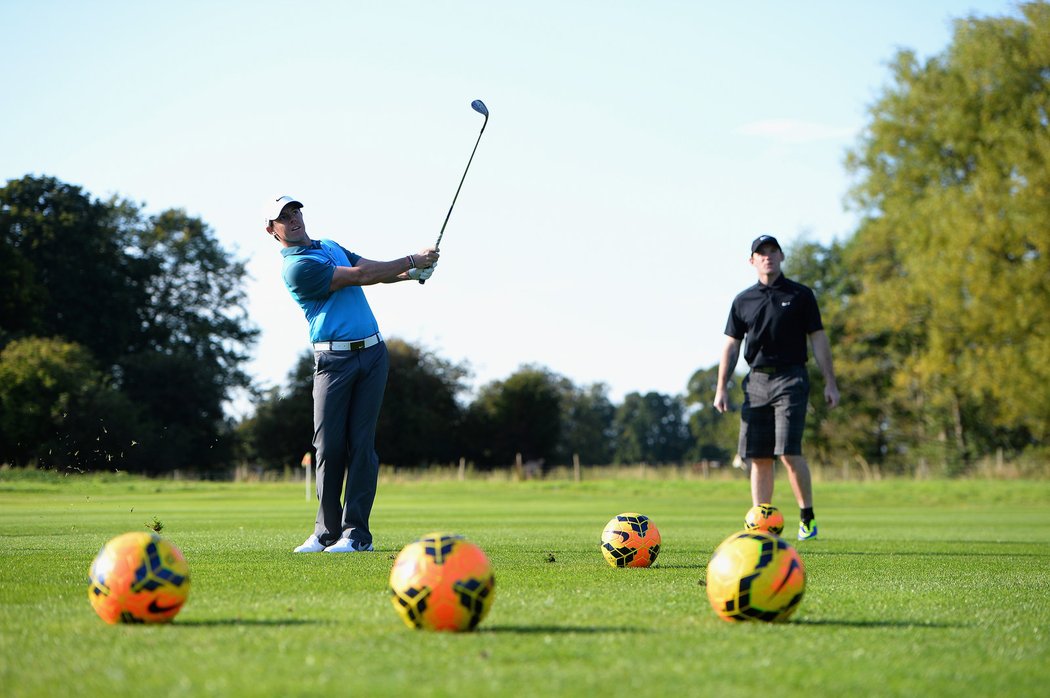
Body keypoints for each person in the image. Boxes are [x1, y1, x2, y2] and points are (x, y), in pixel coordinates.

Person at [264, 195, 439, 553]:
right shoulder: (296, 267)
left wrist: (411, 273)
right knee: (328, 447)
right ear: (272, 229)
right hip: (332, 361)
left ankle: (356, 535)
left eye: (295, 210)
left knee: (362, 446)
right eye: (283, 216)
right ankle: (326, 532)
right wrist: (411, 259)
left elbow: (372, 271)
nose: (293, 218)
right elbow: (361, 276)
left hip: (373, 354)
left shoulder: (329, 245)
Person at [713, 235, 839, 541]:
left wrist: (830, 382)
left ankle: (806, 518)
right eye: (761, 253)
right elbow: (731, 346)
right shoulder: (743, 300)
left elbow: (818, 339)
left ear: (781, 256)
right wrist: (721, 388)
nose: (767, 257)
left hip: (791, 378)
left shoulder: (800, 295)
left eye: (772, 251)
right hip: (755, 380)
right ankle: (761, 524)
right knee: (758, 456)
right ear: (752, 261)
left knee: (788, 452)